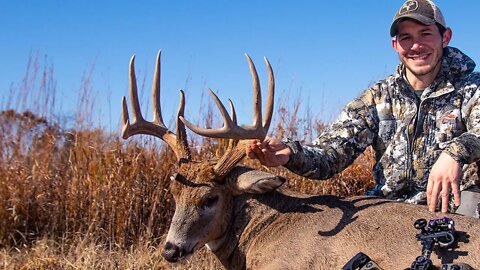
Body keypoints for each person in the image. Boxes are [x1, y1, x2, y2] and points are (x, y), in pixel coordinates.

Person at [246, 0, 480, 217]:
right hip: (390, 211)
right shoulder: (377, 96)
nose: (416, 46)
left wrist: (454, 153)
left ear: (445, 37)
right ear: (395, 45)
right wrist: (289, 154)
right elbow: (331, 153)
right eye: (406, 38)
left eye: (426, 34)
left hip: (453, 207)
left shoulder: (471, 87)